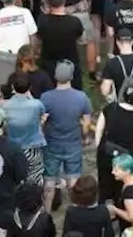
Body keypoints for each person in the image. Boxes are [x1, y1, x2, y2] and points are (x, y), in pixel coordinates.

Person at [40, 61, 92, 205]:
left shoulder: (46, 97)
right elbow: (86, 124)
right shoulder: (82, 97)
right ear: (71, 76)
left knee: (49, 181)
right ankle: (75, 209)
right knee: (73, 180)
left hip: (51, 143)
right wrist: (85, 136)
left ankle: (46, 213)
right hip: (73, 143)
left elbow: (41, 121)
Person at [2, 71, 47, 190]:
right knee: (34, 177)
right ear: (29, 87)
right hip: (32, 147)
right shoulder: (36, 104)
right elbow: (43, 116)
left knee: (14, 177)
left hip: (13, 147)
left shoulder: (4, 105)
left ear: (13, 87)